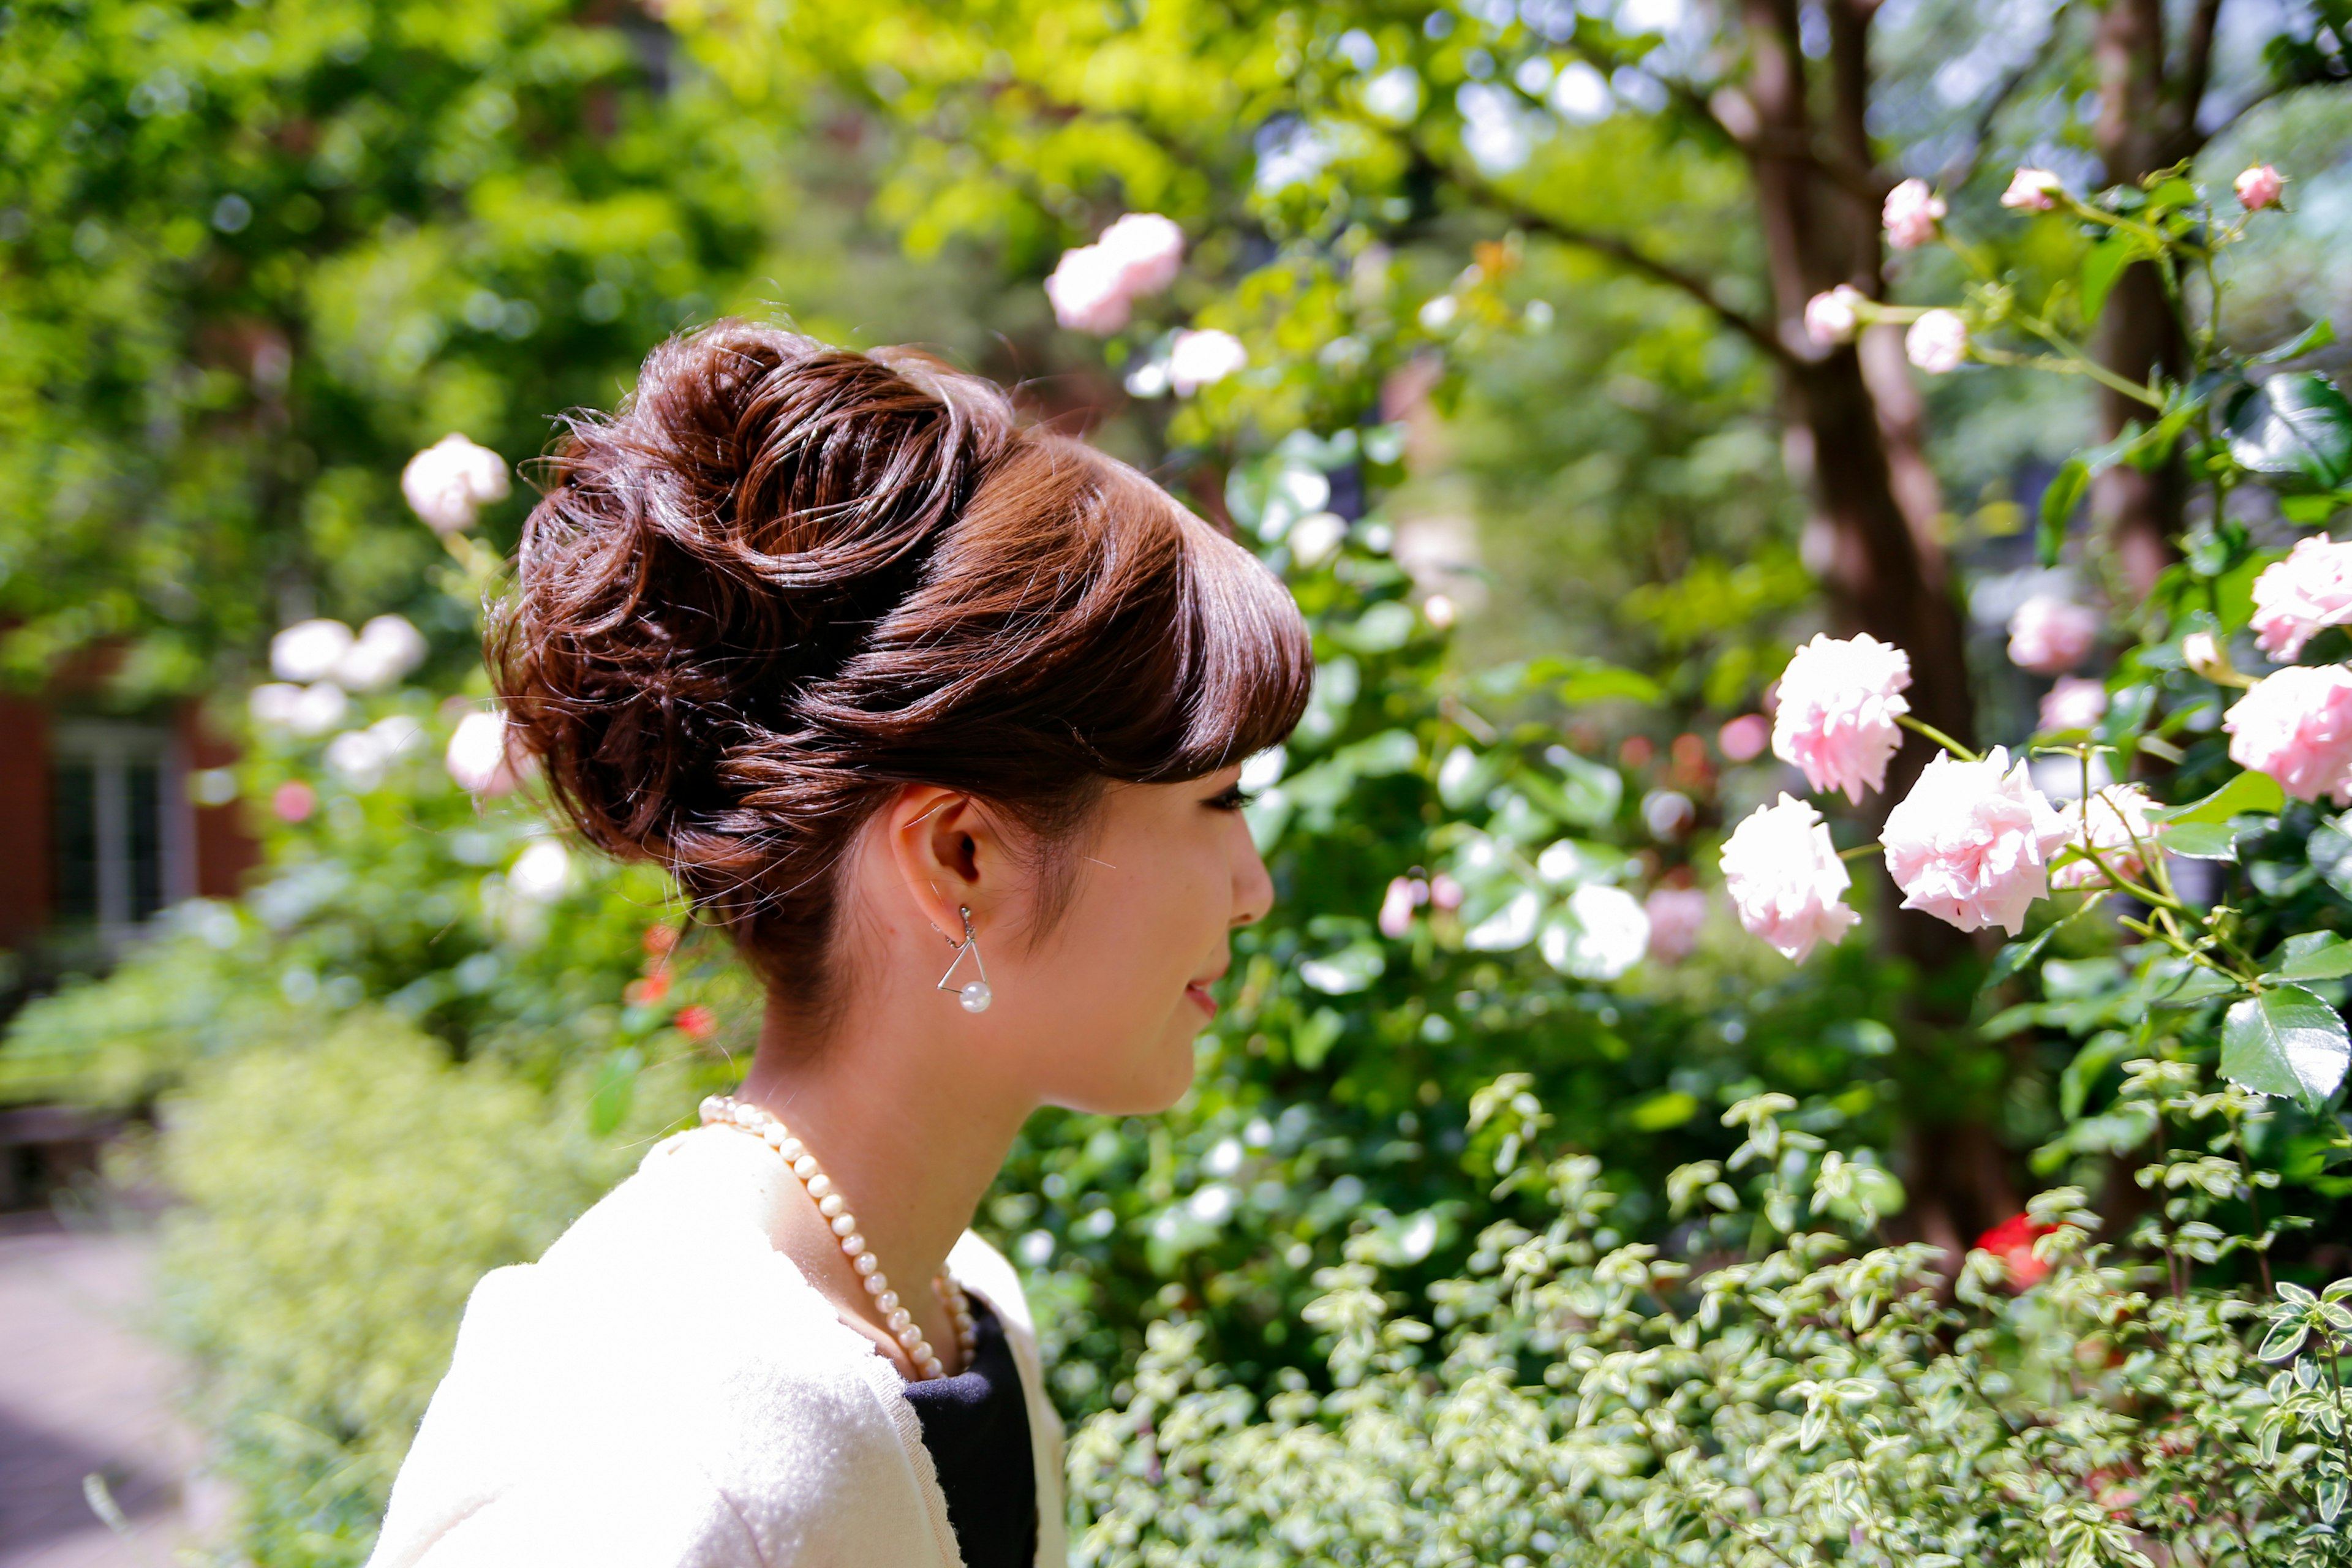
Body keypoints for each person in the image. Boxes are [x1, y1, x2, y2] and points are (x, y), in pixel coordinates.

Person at [366, 322, 1312, 1568]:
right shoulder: (642, 1461)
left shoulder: (951, 1311)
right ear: (959, 856)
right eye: (1218, 801)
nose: (1253, 891)